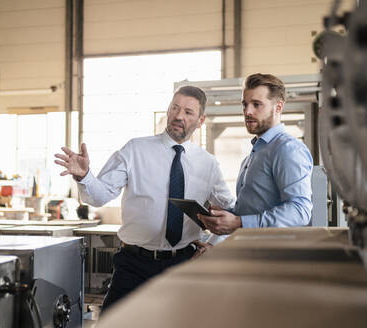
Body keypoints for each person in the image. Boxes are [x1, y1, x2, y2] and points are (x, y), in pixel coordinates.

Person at [54, 86, 234, 311]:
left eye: (188, 112)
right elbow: (100, 196)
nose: (179, 116)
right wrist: (84, 176)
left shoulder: (208, 164)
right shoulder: (135, 150)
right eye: (175, 108)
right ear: (168, 111)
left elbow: (232, 213)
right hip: (133, 264)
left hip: (184, 263)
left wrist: (212, 244)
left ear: (200, 120)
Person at [199, 73, 313, 235]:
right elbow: (252, 211)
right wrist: (227, 215)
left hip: (272, 256)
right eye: (245, 104)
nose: (248, 111)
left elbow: (300, 211)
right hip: (250, 250)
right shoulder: (254, 154)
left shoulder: (287, 149)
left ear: (278, 107)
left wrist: (238, 223)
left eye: (256, 104)